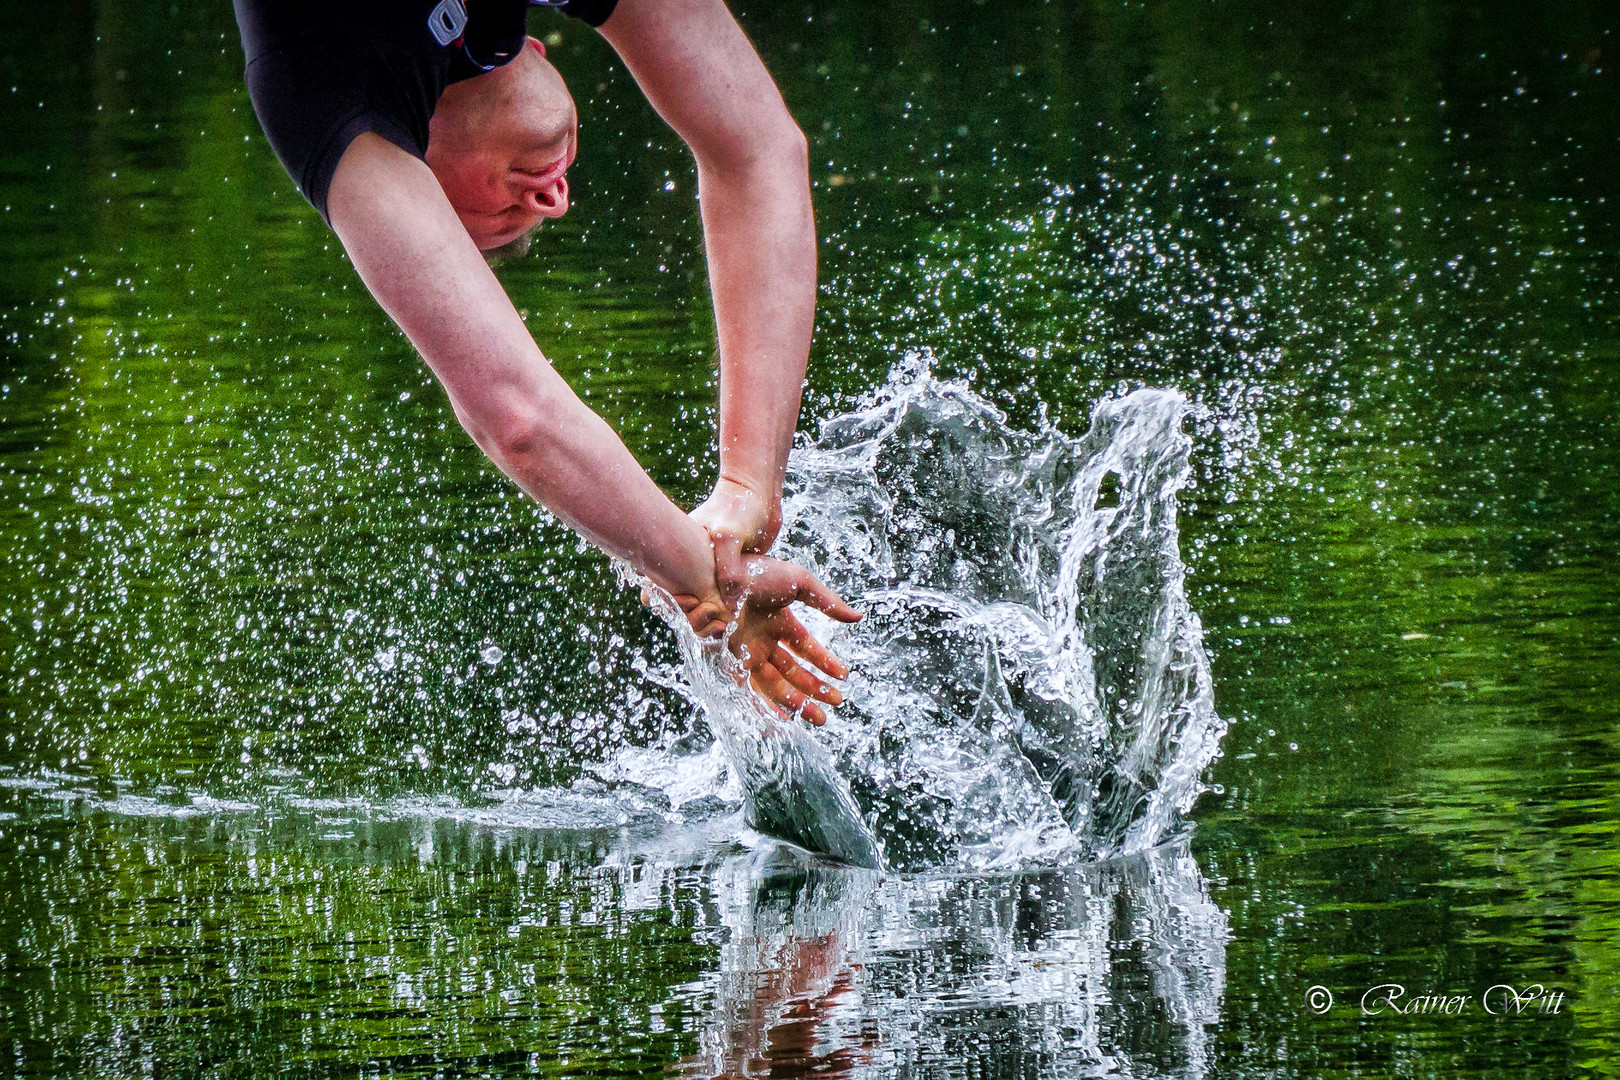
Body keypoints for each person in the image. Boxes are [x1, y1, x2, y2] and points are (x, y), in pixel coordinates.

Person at [232, 0, 858, 722]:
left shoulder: (319, 78)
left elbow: (757, 151)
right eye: (513, 215)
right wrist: (708, 581)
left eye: (507, 212)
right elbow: (515, 412)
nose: (554, 196)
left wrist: (750, 492)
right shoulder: (344, 115)